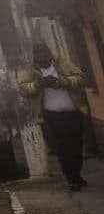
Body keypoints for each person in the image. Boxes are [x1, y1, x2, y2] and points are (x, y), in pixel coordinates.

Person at [18, 42, 92, 191]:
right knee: (62, 149)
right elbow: (23, 89)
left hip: (74, 113)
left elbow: (81, 79)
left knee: (76, 147)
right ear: (35, 57)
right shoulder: (31, 71)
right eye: (38, 54)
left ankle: (76, 175)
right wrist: (39, 85)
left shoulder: (63, 64)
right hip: (51, 117)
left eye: (44, 53)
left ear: (50, 53)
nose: (42, 56)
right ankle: (71, 179)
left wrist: (62, 82)